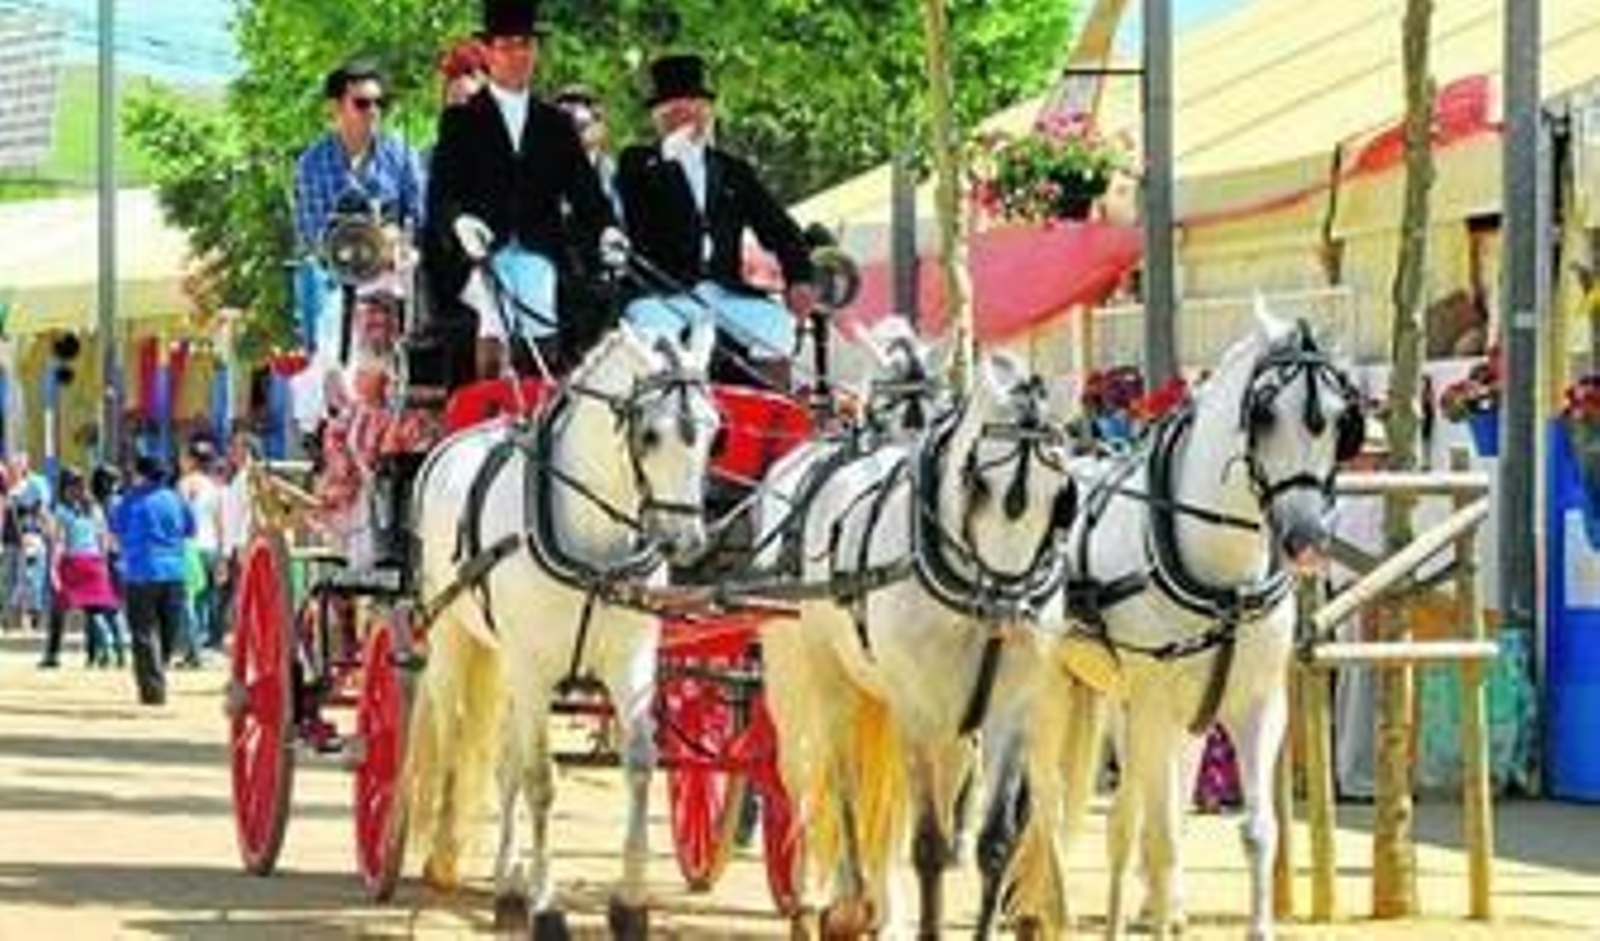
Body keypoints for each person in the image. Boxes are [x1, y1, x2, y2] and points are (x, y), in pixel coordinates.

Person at [422, 0, 620, 384]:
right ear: (489, 52)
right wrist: (460, 221)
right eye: (508, 45)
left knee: (538, 290)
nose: (518, 55)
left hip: (538, 249)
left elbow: (588, 196)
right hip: (474, 254)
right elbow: (442, 194)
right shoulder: (461, 121)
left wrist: (608, 230)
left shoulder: (557, 125)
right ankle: (490, 405)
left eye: (526, 45)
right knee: (494, 310)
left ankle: (536, 404)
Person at [615, 53, 816, 389]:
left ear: (707, 111)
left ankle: (768, 422)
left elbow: (778, 226)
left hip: (723, 291)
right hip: (662, 292)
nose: (685, 115)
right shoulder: (637, 163)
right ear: (657, 116)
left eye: (693, 105)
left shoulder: (730, 169)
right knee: (650, 331)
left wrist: (800, 275)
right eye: (674, 109)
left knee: (775, 325)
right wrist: (669, 158)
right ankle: (666, 420)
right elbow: (633, 211)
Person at [290, 57, 425, 439]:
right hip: (339, 282)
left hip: (396, 279)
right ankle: (333, 423)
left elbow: (420, 217)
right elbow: (317, 236)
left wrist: (397, 242)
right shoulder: (312, 165)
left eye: (379, 104)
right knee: (330, 349)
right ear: (336, 108)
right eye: (362, 103)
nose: (373, 112)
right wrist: (363, 246)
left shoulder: (401, 154)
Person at [111, 456, 195, 707]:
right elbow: (191, 529)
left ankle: (153, 690)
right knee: (168, 631)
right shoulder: (176, 499)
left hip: (141, 573)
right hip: (174, 572)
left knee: (144, 633)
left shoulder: (131, 500)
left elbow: (117, 529)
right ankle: (160, 667)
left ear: (142, 475)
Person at [39, 468, 122, 669]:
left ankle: (53, 654)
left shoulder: (61, 509)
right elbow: (104, 537)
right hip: (94, 561)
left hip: (72, 562)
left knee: (59, 610)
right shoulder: (95, 508)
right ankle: (103, 652)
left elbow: (58, 542)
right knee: (96, 609)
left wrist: (52, 568)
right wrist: (102, 562)